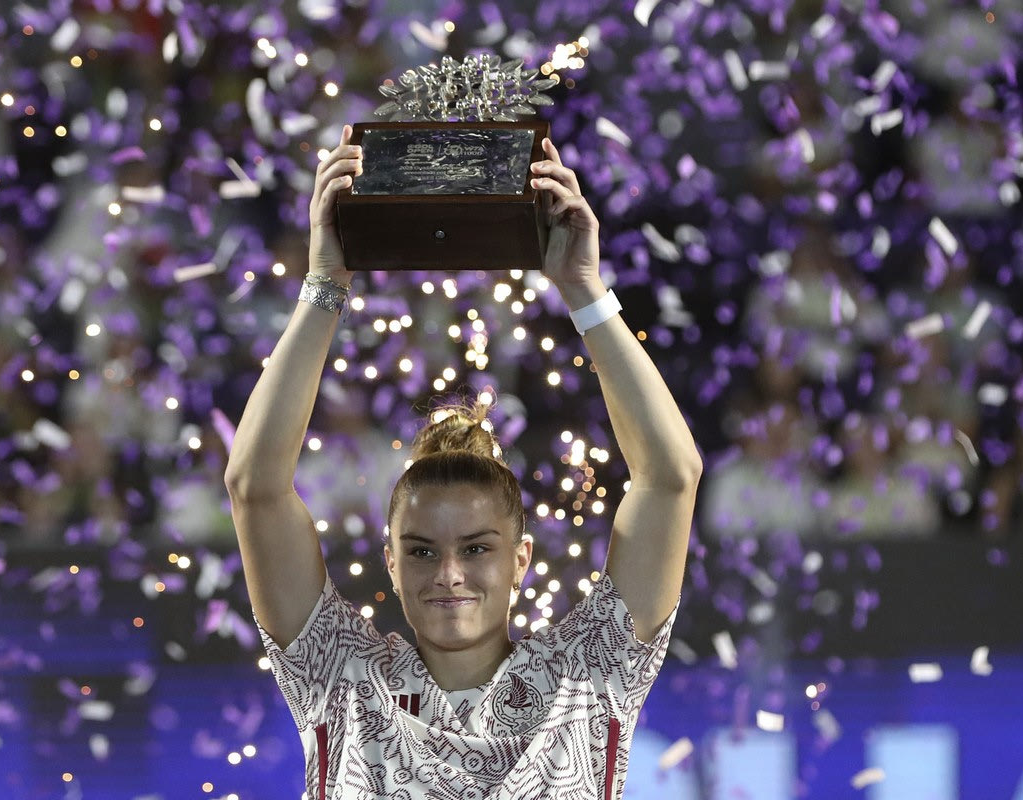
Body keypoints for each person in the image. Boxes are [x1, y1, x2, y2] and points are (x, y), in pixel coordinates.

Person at [224, 124, 703, 799]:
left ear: (522, 558)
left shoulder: (588, 677)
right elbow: (254, 487)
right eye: (421, 551)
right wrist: (325, 282)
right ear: (390, 562)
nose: (448, 574)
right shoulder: (343, 679)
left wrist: (584, 289)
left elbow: (672, 478)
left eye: (476, 548)